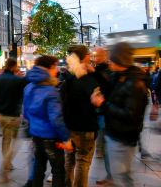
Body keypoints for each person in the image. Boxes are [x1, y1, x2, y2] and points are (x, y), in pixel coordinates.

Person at [91, 42, 148, 187]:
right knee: (121, 176)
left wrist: (102, 104)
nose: (108, 61)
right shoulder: (119, 76)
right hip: (115, 132)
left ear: (119, 60)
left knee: (121, 177)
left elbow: (129, 114)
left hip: (123, 136)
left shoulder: (134, 82)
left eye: (112, 58)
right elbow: (110, 92)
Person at [23, 55, 72, 187]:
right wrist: (66, 138)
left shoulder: (28, 87)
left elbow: (26, 113)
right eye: (55, 66)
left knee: (38, 168)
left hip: (36, 134)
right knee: (58, 170)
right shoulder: (51, 91)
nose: (56, 70)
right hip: (51, 137)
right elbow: (56, 118)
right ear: (50, 68)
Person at [59, 45, 99, 187]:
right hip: (86, 127)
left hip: (70, 127)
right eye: (88, 54)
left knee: (69, 161)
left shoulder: (66, 80)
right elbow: (99, 102)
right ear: (84, 57)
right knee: (82, 162)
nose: (90, 56)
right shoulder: (89, 80)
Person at [0, 58, 27, 182]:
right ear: (14, 66)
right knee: (16, 142)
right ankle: (5, 166)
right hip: (13, 116)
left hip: (0, 115)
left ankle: (7, 163)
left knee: (6, 139)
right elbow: (23, 96)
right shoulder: (17, 80)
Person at [92, 47, 113, 185]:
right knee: (104, 144)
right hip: (101, 113)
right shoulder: (101, 70)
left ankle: (112, 176)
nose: (95, 57)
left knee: (107, 145)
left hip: (104, 113)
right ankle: (112, 175)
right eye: (94, 55)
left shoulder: (105, 71)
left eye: (97, 55)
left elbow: (106, 87)